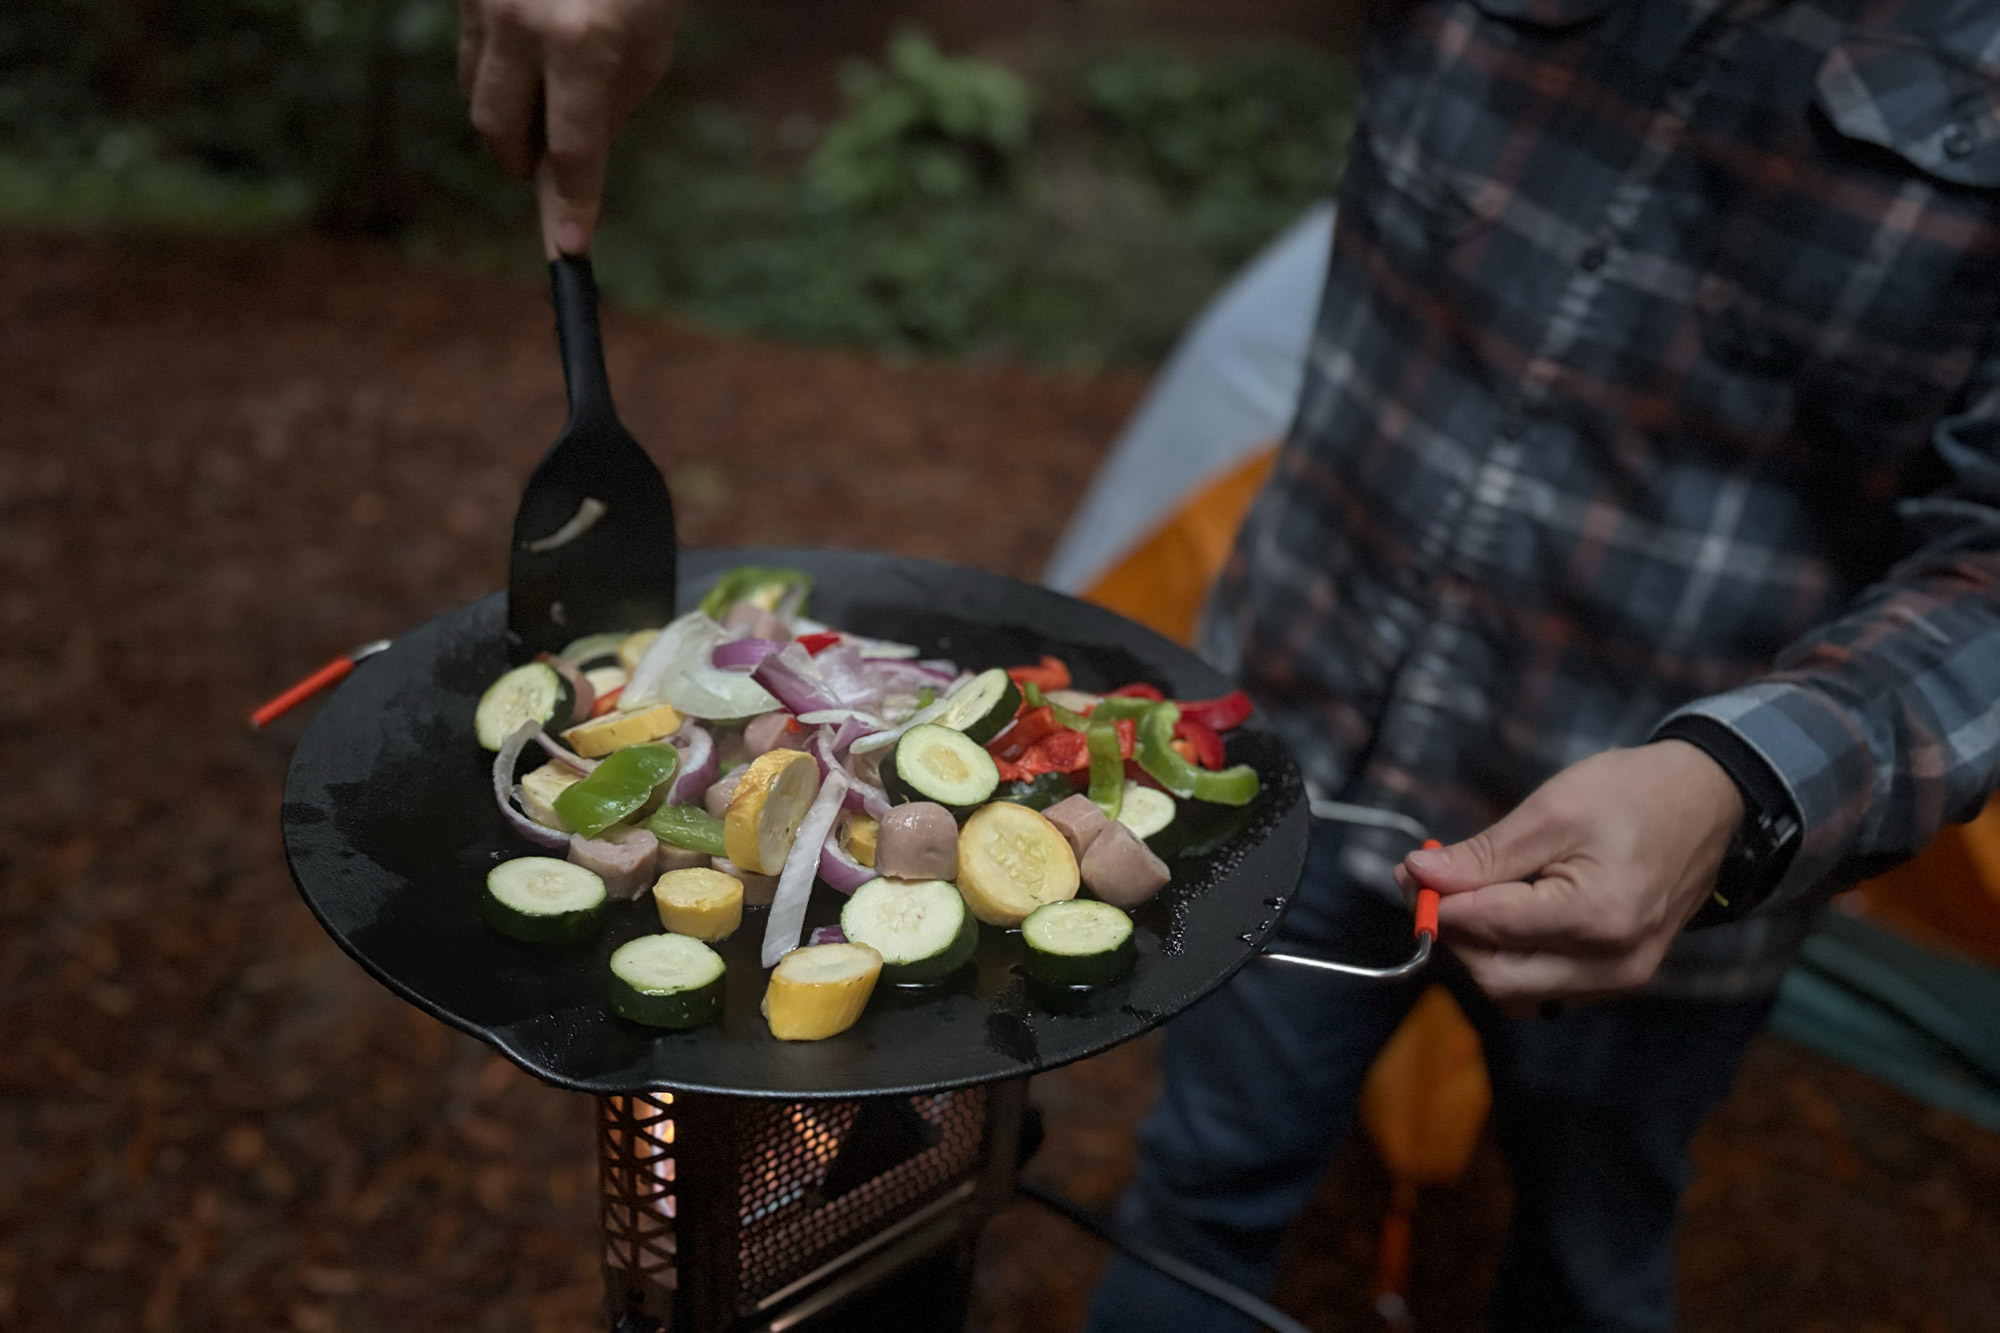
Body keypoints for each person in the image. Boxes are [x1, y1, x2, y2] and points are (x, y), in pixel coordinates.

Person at [455, 1, 2000, 1326]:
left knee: (1595, 1255)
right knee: (1199, 1198)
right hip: (1290, 770)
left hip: (1683, 867)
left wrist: (1741, 776)